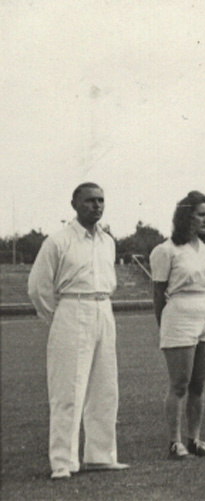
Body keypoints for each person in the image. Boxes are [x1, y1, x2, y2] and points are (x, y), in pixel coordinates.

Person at [28, 182, 129, 479]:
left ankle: (100, 455)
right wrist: (60, 317)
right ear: (74, 204)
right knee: (68, 390)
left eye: (101, 200)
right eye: (90, 200)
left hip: (104, 309)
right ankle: (63, 461)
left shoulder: (108, 241)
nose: (96, 205)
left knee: (105, 389)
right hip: (72, 309)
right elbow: (38, 287)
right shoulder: (58, 241)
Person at [150, 191, 205, 459]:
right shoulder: (166, 250)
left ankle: (195, 439)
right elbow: (158, 293)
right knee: (180, 383)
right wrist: (164, 325)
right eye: (200, 214)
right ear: (186, 216)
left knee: (199, 384)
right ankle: (174, 441)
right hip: (179, 313)